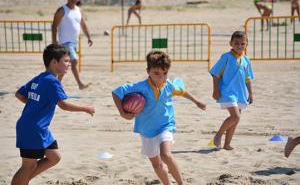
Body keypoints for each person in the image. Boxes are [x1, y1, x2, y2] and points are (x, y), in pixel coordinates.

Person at [112, 51, 206, 185]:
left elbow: (183, 92)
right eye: (156, 73)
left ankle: (181, 183)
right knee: (157, 165)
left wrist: (197, 101)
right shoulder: (140, 87)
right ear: (148, 71)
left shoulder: (168, 85)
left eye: (165, 73)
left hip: (165, 126)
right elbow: (116, 92)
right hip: (146, 130)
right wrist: (122, 112)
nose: (161, 77)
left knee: (166, 155)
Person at [11, 44, 95, 185]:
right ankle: (21, 181)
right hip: (33, 129)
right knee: (28, 165)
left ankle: (24, 181)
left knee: (54, 157)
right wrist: (86, 108)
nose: (69, 64)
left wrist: (35, 105)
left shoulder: (41, 77)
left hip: (38, 128)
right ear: (54, 62)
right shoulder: (51, 82)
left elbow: (19, 94)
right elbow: (64, 105)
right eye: (66, 61)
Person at [209, 31, 254, 151]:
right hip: (227, 92)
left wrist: (250, 92)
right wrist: (215, 90)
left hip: (240, 93)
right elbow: (215, 74)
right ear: (231, 43)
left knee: (235, 120)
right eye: (236, 43)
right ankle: (218, 135)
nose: (239, 46)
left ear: (246, 44)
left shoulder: (246, 60)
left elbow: (248, 78)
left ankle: (227, 144)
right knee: (236, 117)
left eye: (242, 43)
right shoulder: (226, 57)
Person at [52, 0, 93, 90]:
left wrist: (89, 37)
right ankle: (80, 84)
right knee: (74, 61)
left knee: (64, 65)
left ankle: (56, 84)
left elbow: (83, 24)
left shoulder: (78, 10)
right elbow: (54, 26)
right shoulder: (62, 10)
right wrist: (54, 42)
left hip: (74, 42)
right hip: (64, 42)